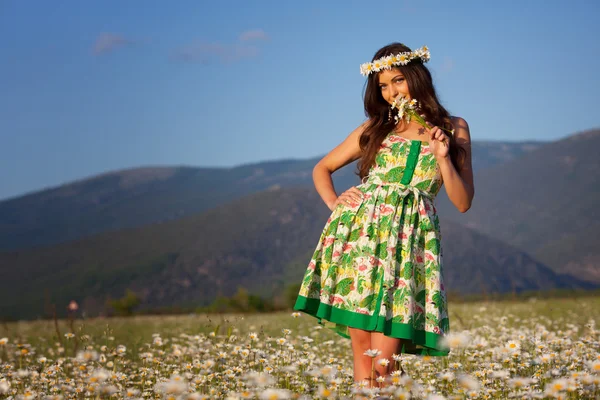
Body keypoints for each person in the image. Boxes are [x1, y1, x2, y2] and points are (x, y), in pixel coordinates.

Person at [293, 42, 474, 387]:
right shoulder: (376, 128)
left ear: (417, 78)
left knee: (385, 358)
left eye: (398, 81)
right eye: (383, 86)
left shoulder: (454, 127)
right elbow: (322, 168)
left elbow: (463, 202)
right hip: (359, 237)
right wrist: (335, 203)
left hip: (408, 245)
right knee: (362, 346)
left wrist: (442, 156)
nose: (391, 92)